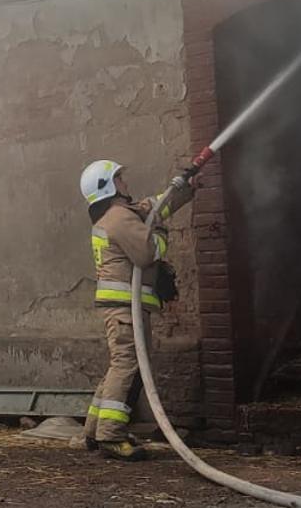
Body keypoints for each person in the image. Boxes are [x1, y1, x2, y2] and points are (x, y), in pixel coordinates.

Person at [76, 159, 193, 461]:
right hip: (126, 308)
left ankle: (94, 430)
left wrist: (184, 189)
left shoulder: (116, 215)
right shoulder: (119, 217)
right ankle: (111, 436)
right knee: (127, 366)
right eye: (119, 178)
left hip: (122, 307)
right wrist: (161, 231)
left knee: (119, 365)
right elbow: (148, 252)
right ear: (109, 186)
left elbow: (153, 207)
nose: (125, 182)